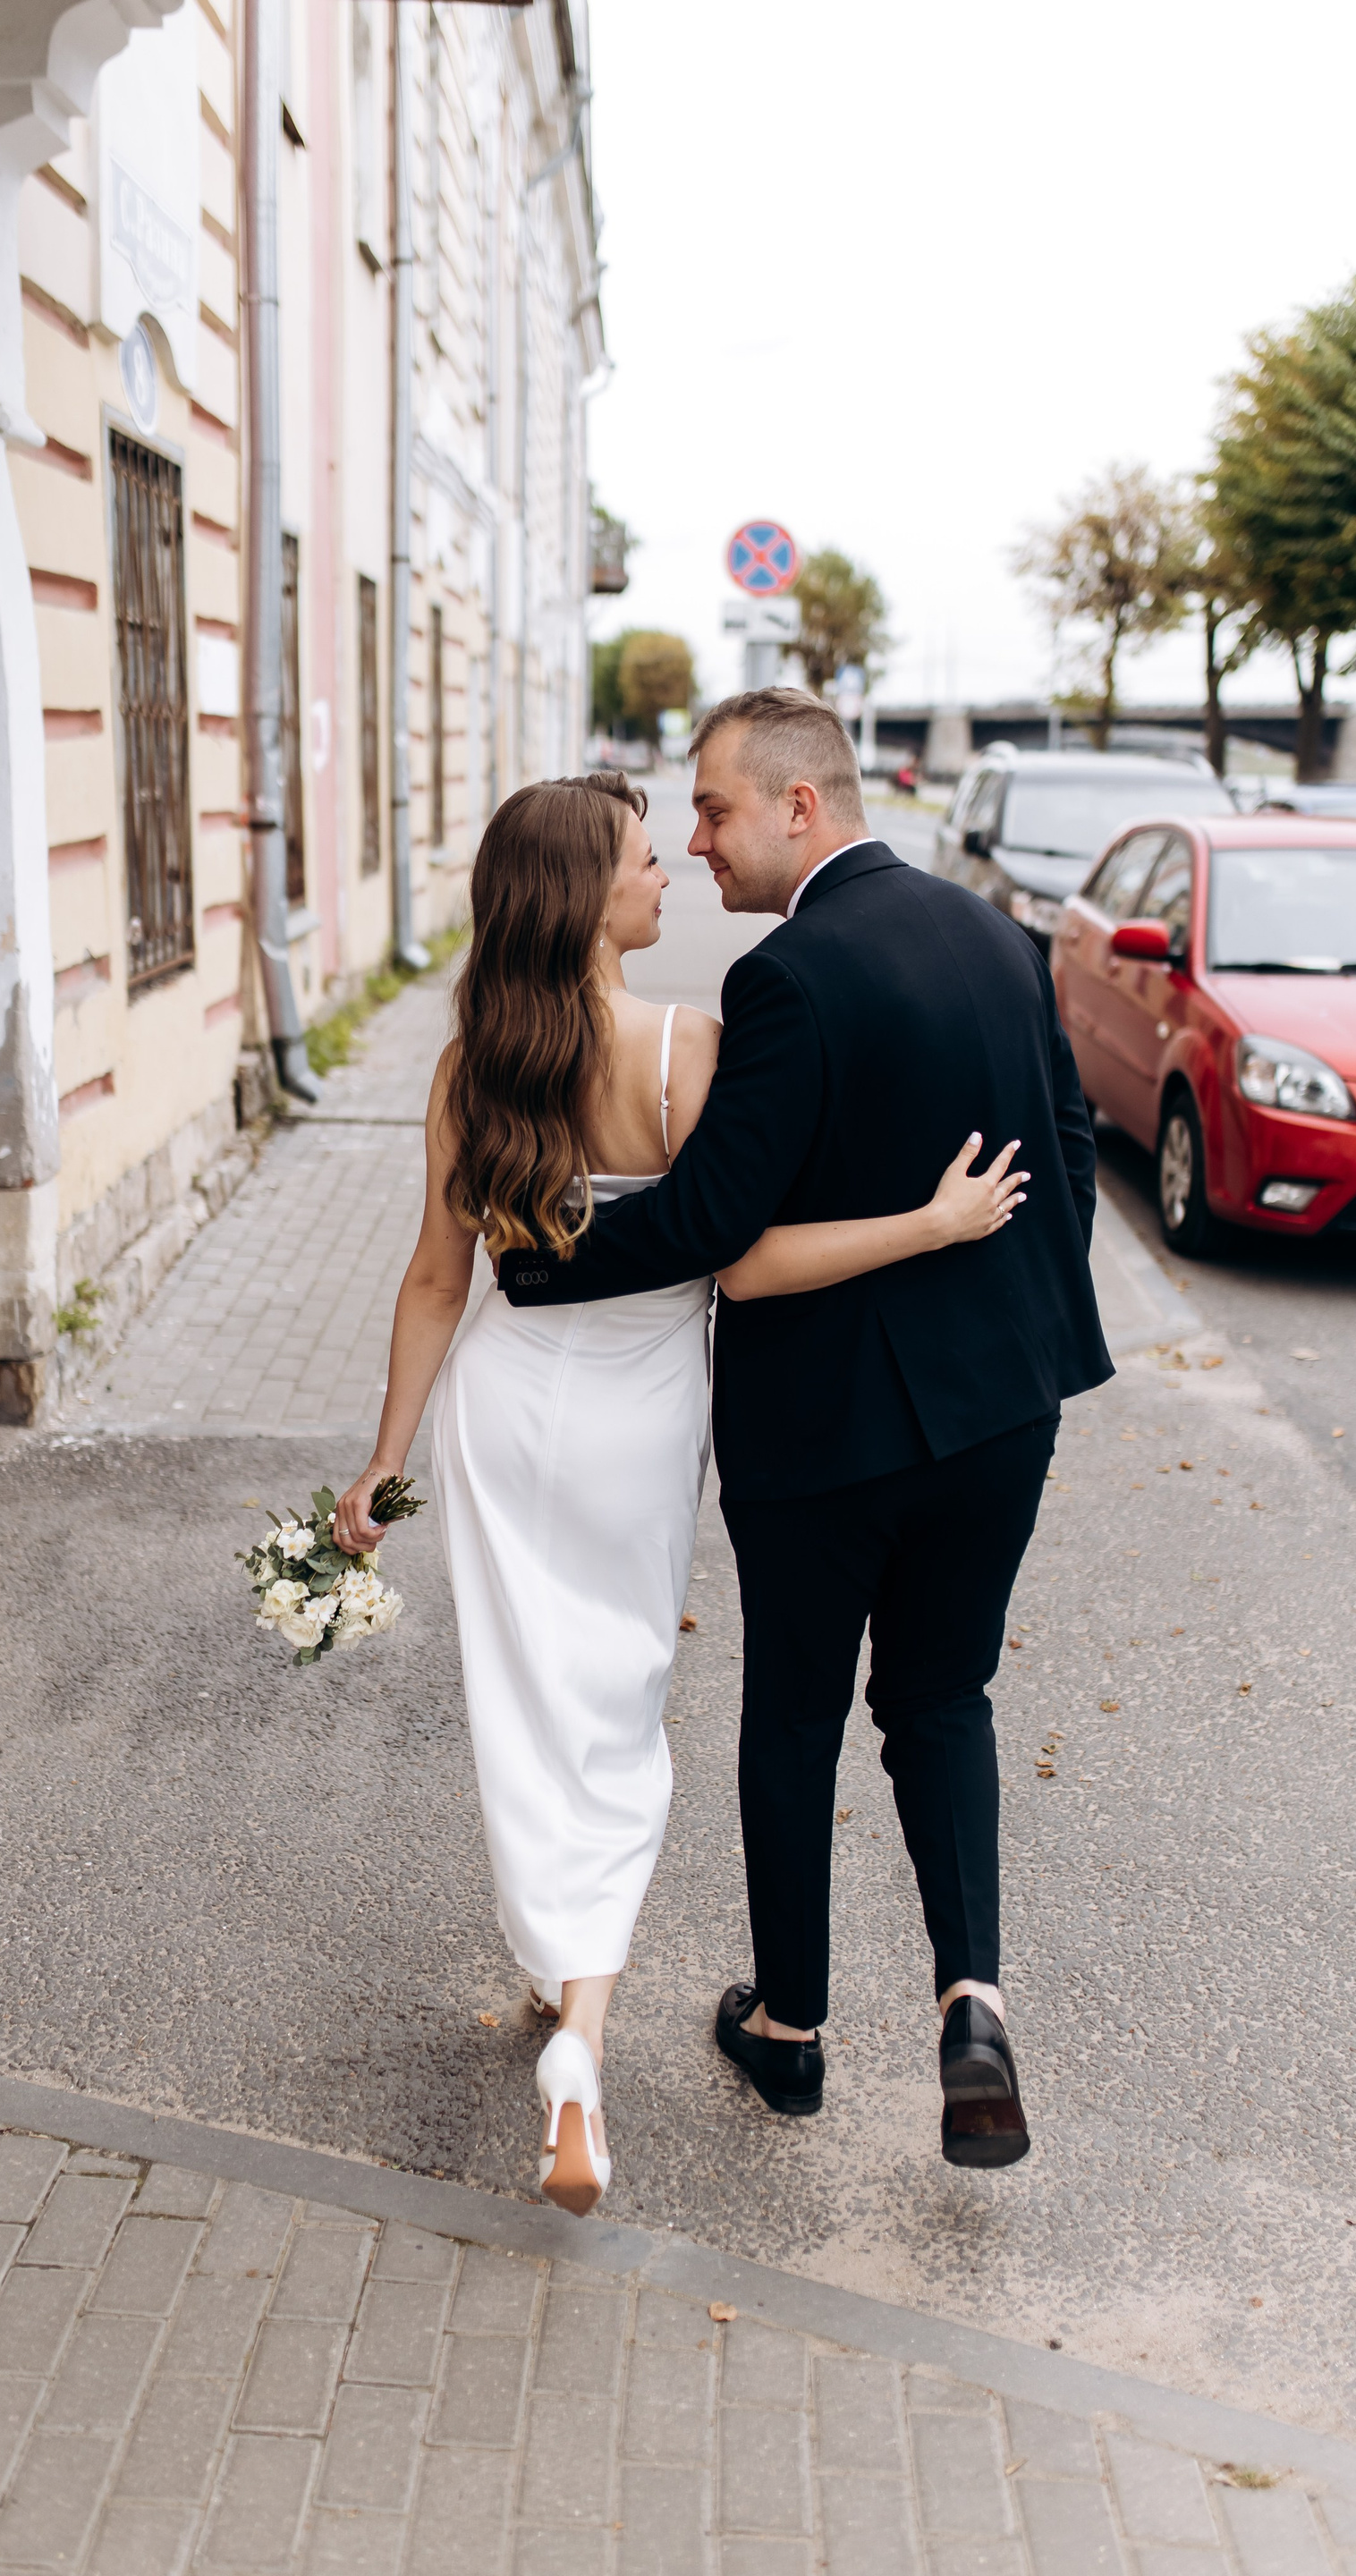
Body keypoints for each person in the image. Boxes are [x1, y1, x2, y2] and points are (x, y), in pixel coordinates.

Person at [334, 770, 1028, 2211]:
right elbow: (744, 1260)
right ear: (588, 901)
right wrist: (934, 1222)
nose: (668, 876)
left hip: (500, 1408)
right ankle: (580, 2031)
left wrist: (385, 1460)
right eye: (646, 861)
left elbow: (434, 1280)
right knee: (617, 1715)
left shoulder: (469, 1066)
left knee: (528, 1706)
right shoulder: (682, 1051)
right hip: (639, 1421)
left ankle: (557, 1985)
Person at [497, 692, 1113, 2169]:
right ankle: (973, 2007)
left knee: (793, 1717)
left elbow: (711, 1219)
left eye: (714, 810)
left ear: (800, 806)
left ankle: (789, 2033)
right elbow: (1074, 1147)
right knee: (944, 1700)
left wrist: (533, 1264)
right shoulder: (999, 939)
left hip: (824, 1431)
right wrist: (1019, 1328)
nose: (698, 838)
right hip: (1003, 1412)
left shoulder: (788, 976)